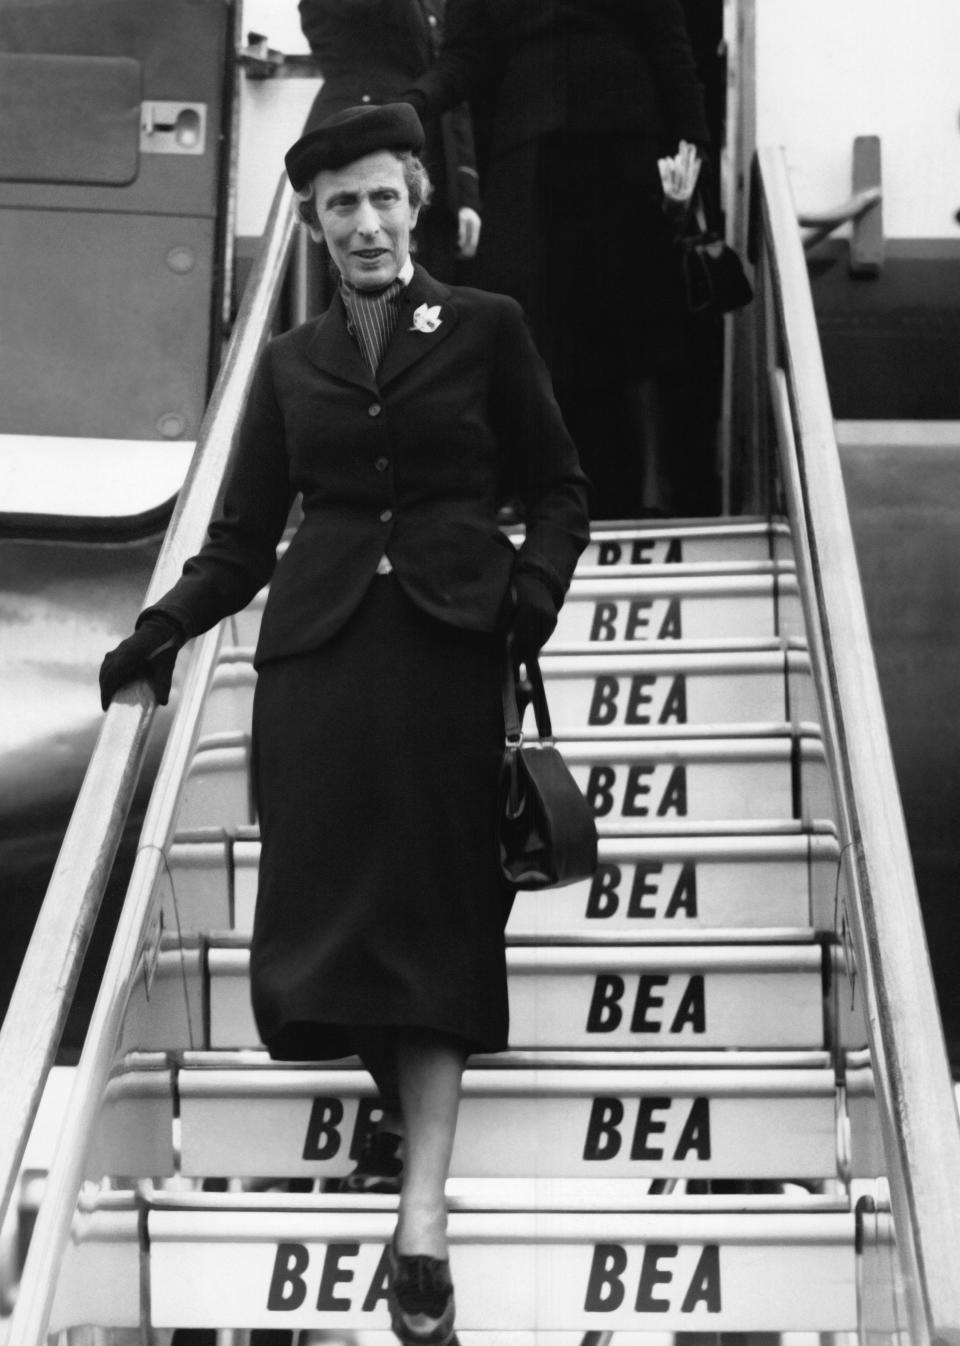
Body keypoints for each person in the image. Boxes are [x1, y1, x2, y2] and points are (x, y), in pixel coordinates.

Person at [99, 104, 589, 1346]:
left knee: (434, 924)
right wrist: (159, 629)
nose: (364, 225)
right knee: (329, 937)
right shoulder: (289, 363)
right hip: (319, 672)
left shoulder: (485, 328)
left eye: (382, 198)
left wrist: (522, 604)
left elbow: (560, 487)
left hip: (442, 661)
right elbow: (242, 535)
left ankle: (421, 1222)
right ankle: (409, 1165)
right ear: (313, 226)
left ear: (417, 199)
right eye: (339, 207)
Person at [404, 0, 712, 519]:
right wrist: (413, 102)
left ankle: (633, 500)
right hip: (528, 157)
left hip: (624, 154)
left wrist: (693, 154)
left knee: (625, 338)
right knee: (530, 336)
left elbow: (669, 45)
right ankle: (543, 494)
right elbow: (468, 54)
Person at [298, 0, 481, 283]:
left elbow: (452, 86)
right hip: (361, 142)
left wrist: (466, 192)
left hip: (432, 159)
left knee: (430, 299)